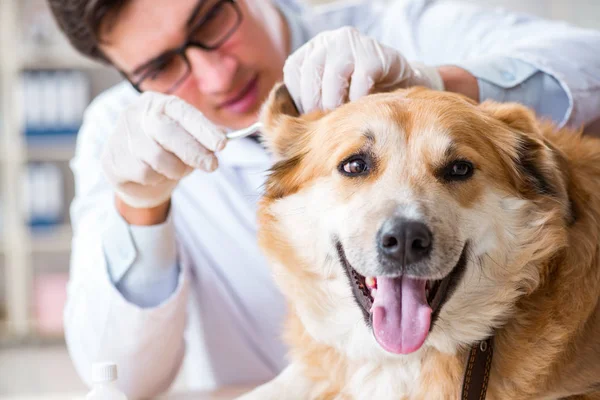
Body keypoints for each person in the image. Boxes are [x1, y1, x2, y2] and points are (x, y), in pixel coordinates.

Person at [48, 0, 600, 397]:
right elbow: (114, 373)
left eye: (211, 18)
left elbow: (587, 54)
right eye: (160, 67)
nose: (217, 75)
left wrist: (440, 80)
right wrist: (139, 207)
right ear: (124, 76)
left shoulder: (393, 20)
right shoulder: (117, 136)